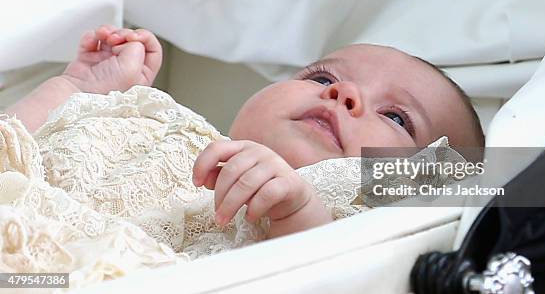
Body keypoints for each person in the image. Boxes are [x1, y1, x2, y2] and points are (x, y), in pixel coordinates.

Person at [6, 25, 484, 239]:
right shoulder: (164, 129)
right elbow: (16, 151)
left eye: (396, 117)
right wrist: (78, 89)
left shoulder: (331, 215)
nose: (345, 95)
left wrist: (295, 212)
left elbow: (314, 273)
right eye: (322, 79)